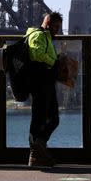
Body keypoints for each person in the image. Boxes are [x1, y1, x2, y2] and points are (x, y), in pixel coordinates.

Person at [25, 12, 63, 167]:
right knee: (40, 119)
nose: (57, 30)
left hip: (47, 83)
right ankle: (36, 153)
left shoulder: (46, 37)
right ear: (47, 23)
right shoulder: (38, 35)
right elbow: (36, 54)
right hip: (40, 84)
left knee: (51, 119)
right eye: (55, 26)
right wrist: (53, 61)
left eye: (58, 27)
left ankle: (38, 150)